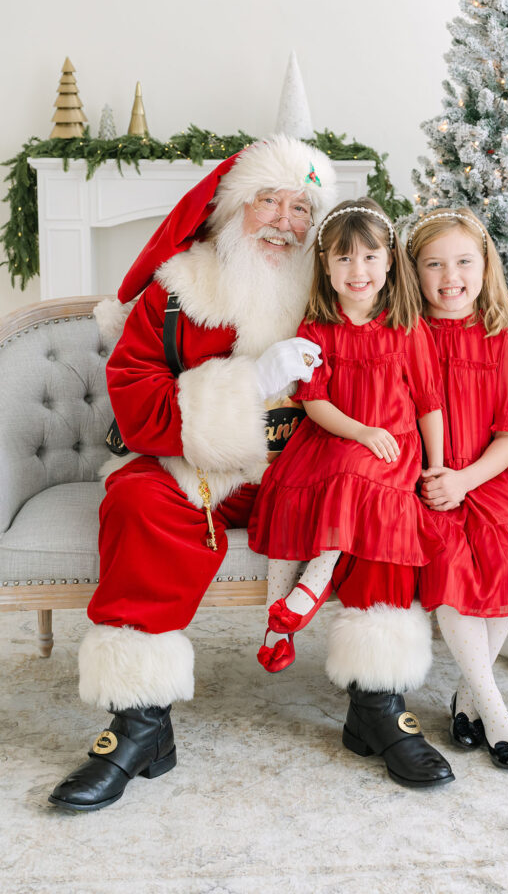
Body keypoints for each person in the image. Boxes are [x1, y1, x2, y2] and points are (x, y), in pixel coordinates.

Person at [48, 135, 337, 811]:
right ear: (234, 207)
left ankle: (379, 697)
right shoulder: (179, 292)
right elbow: (137, 395)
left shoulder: (338, 284)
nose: (285, 221)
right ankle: (140, 721)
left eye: (302, 208)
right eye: (269, 200)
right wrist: (248, 385)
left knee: (380, 495)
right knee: (137, 499)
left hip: (307, 474)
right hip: (196, 469)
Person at [248, 197, 456, 788]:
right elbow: (313, 401)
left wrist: (437, 470)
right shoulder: (317, 329)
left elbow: (428, 403)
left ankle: (376, 702)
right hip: (336, 441)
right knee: (335, 481)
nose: (358, 270)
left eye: (369, 256)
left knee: (379, 516)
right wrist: (361, 430)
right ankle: (363, 700)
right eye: (345, 258)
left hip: (392, 455)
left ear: (389, 262)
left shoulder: (405, 328)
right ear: (326, 266)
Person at [408, 207, 508, 770]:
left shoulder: (503, 343)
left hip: (484, 477)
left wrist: (468, 478)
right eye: (434, 264)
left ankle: (471, 697)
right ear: (414, 272)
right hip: (425, 481)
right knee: (451, 558)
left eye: (464, 262)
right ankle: (494, 711)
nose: (451, 277)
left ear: (484, 266)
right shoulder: (406, 335)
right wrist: (443, 480)